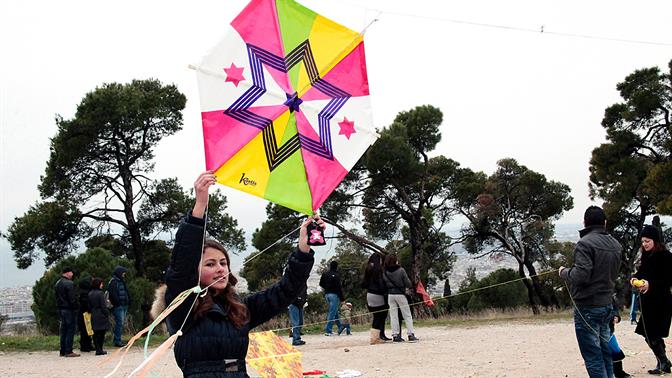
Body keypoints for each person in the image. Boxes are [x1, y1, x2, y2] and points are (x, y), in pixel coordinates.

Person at [163, 171, 318, 376]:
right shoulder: (182, 307)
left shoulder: (239, 308)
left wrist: (303, 250)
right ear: (195, 270)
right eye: (210, 264)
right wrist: (199, 207)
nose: (220, 268)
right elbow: (181, 266)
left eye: (223, 263)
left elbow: (285, 291)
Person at [559, 206, 621, 378]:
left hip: (588, 307)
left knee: (593, 356)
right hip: (606, 304)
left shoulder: (585, 243)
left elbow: (581, 275)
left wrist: (564, 272)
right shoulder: (616, 244)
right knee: (605, 352)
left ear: (585, 223)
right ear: (605, 223)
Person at [630, 224, 672, 375]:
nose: (644, 244)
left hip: (662, 302)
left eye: (647, 241)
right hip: (647, 302)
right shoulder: (646, 257)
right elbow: (641, 273)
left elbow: (668, 280)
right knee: (647, 333)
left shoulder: (667, 257)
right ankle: (663, 361)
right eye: (643, 241)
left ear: (655, 241)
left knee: (653, 333)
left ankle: (663, 362)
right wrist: (635, 279)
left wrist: (651, 284)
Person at [382, 254, 418, 343]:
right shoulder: (401, 270)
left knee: (393, 316)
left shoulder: (385, 272)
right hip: (400, 294)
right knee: (407, 315)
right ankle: (410, 334)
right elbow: (408, 283)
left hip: (390, 295)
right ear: (395, 261)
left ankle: (395, 335)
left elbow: (384, 284)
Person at [361, 253, 390, 344]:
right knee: (380, 316)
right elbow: (381, 284)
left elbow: (364, 284)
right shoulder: (378, 270)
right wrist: (385, 292)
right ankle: (375, 338)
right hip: (378, 295)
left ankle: (378, 336)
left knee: (377, 316)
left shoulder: (368, 269)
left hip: (370, 294)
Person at [55, 267, 79, 357]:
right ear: (67, 273)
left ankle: (63, 350)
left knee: (63, 330)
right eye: (71, 272)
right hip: (69, 309)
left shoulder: (58, 283)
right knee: (70, 330)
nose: (72, 274)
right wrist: (76, 307)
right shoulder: (69, 284)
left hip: (61, 309)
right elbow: (72, 298)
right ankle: (69, 350)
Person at [107, 265, 131, 347]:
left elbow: (125, 292)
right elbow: (112, 295)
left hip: (124, 305)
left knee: (121, 323)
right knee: (119, 323)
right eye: (123, 272)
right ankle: (117, 340)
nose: (124, 274)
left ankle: (118, 339)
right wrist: (117, 303)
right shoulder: (113, 282)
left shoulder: (121, 281)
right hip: (118, 306)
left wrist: (128, 301)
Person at [319, 260, 344, 336]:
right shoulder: (337, 275)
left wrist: (327, 288)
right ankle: (328, 330)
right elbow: (339, 287)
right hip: (334, 295)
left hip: (327, 294)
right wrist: (342, 298)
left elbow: (321, 283)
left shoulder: (325, 274)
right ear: (336, 267)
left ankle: (340, 327)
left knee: (334, 311)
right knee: (332, 312)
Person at [609, 299, 631, 378]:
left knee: (616, 351)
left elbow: (614, 308)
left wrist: (616, 316)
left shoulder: (608, 293)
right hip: (595, 330)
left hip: (609, 331)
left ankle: (618, 372)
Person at [88, 277, 110, 356]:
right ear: (98, 284)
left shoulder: (90, 293)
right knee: (101, 333)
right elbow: (103, 305)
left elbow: (89, 306)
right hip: (101, 314)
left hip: (94, 314)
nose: (102, 285)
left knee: (96, 333)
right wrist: (107, 313)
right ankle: (100, 349)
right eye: (101, 283)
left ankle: (97, 349)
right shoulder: (100, 293)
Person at [77, 276, 94, 353]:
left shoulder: (83, 292)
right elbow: (85, 304)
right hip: (85, 314)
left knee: (87, 330)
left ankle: (88, 345)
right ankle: (85, 346)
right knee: (85, 330)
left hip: (83, 313)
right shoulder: (85, 293)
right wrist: (90, 309)